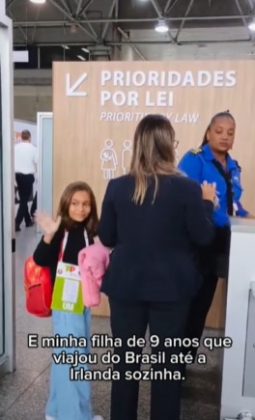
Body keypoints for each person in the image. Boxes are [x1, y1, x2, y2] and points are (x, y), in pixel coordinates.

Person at [98, 114, 216, 420]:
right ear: (168, 146)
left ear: (138, 145)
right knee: (167, 368)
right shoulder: (188, 189)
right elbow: (203, 237)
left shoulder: (117, 186)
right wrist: (207, 203)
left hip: (126, 286)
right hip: (173, 289)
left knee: (125, 365)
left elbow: (107, 237)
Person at [178, 111, 249, 356]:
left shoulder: (233, 166)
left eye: (230, 133)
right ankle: (172, 360)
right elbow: (182, 199)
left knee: (202, 304)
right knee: (189, 300)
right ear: (208, 133)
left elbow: (233, 205)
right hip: (197, 239)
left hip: (222, 241)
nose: (225, 137)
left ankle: (185, 357)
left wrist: (246, 214)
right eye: (219, 131)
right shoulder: (194, 160)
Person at [33, 181, 103, 420]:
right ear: (66, 204)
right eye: (75, 203)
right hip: (64, 303)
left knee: (69, 355)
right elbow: (40, 259)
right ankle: (76, 416)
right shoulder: (61, 229)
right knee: (75, 358)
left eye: (85, 204)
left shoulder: (91, 231)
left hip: (82, 302)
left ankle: (55, 411)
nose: (80, 209)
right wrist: (49, 235)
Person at [14, 129, 37, 231]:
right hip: (28, 177)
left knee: (23, 199)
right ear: (30, 137)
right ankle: (17, 223)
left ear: (21, 137)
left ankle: (27, 221)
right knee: (24, 200)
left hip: (17, 176)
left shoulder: (15, 148)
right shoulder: (33, 148)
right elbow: (37, 161)